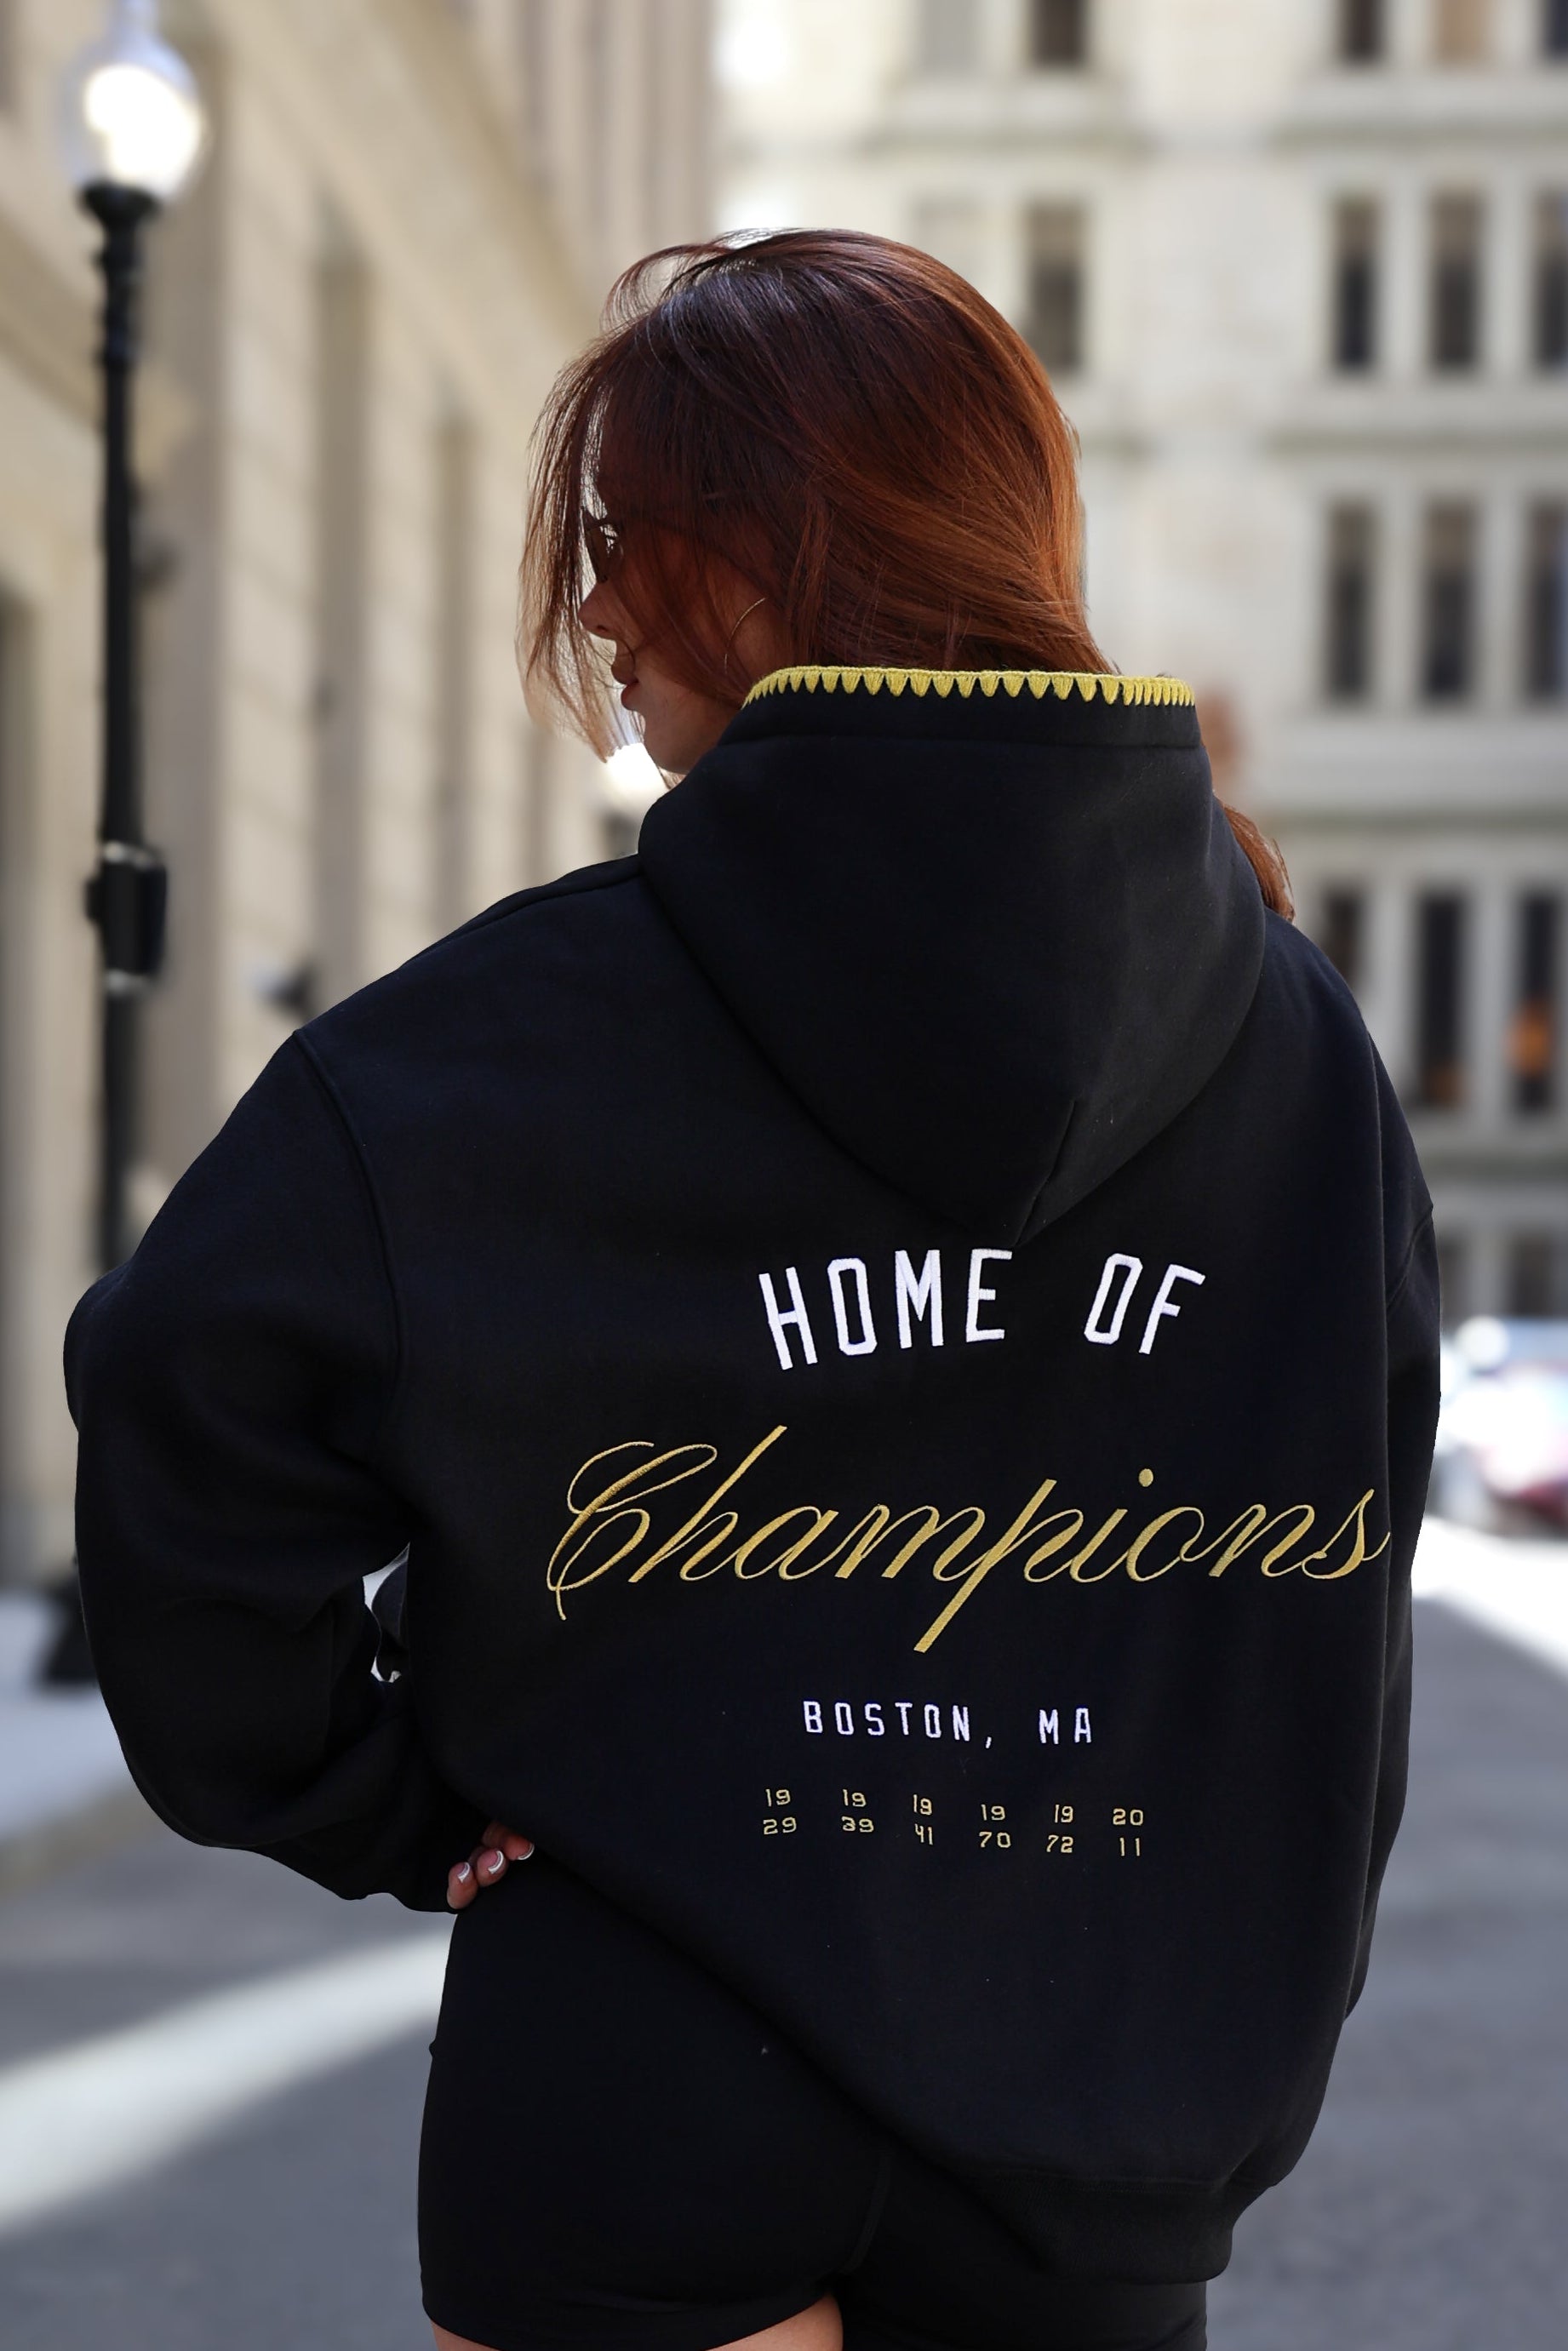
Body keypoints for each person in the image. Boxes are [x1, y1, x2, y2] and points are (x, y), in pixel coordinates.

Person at [66, 232, 1439, 2351]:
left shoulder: (506, 1036)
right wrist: (1217, 2013)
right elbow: (1333, 1619)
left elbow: (186, 1405)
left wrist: (385, 1796)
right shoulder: (1302, 1052)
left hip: (641, 2039)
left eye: (632, 534)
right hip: (1101, 2102)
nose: (599, 606)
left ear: (800, 540)